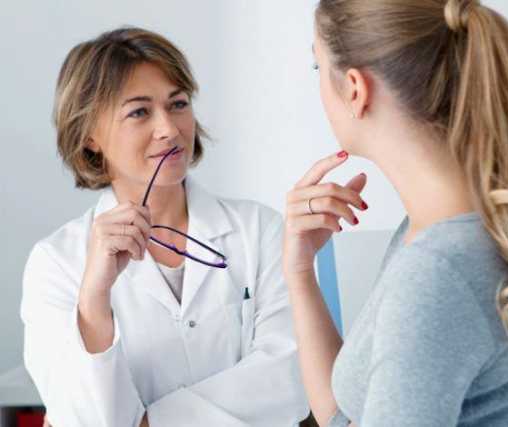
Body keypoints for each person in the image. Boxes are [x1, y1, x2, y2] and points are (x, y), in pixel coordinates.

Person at [282, 1, 508, 426]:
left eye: (318, 67)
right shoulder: (443, 231)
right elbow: (345, 417)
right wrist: (300, 271)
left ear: (355, 89)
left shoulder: (438, 270)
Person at [21, 27, 308, 427]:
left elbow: (292, 377)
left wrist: (150, 423)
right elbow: (80, 416)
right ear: (89, 137)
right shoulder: (56, 263)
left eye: (178, 104)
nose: (170, 129)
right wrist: (94, 299)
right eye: (139, 112)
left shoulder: (259, 231)